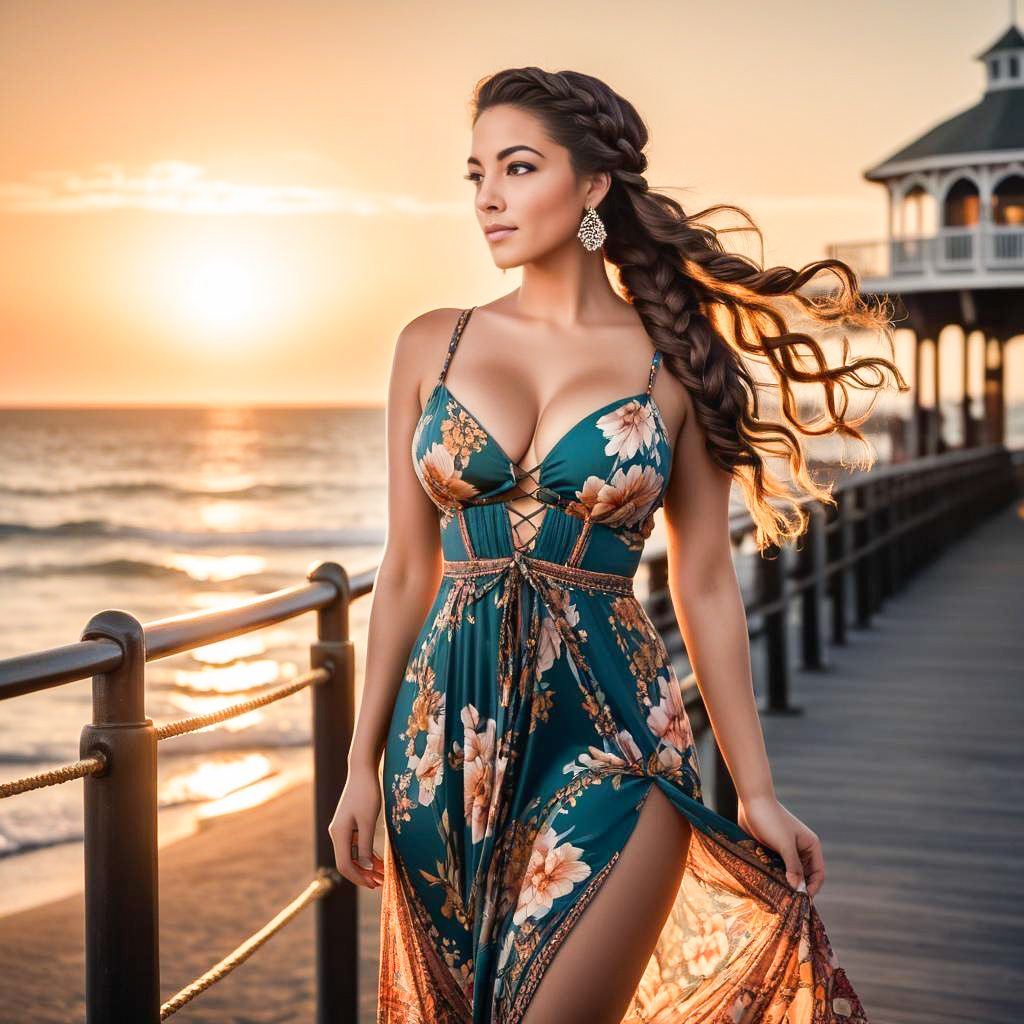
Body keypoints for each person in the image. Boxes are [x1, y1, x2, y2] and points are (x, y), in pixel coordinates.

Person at [330, 67, 905, 1024]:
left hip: (618, 736)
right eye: (476, 173)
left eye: (518, 168)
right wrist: (358, 764)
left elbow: (707, 586)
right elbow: (403, 571)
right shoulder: (430, 342)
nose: (489, 197)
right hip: (441, 752)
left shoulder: (670, 362)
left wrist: (757, 791)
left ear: (594, 185)